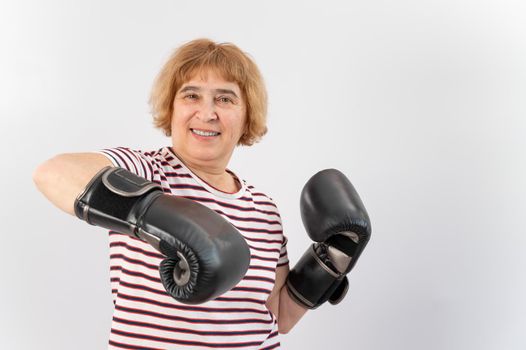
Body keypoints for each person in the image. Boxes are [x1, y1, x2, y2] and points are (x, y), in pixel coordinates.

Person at [33, 38, 371, 349]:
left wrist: (332, 261)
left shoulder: (264, 209)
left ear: (246, 115)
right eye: (191, 95)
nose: (207, 113)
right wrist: (158, 214)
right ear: (172, 108)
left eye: (225, 98)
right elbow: (52, 173)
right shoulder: (146, 172)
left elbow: (279, 315)